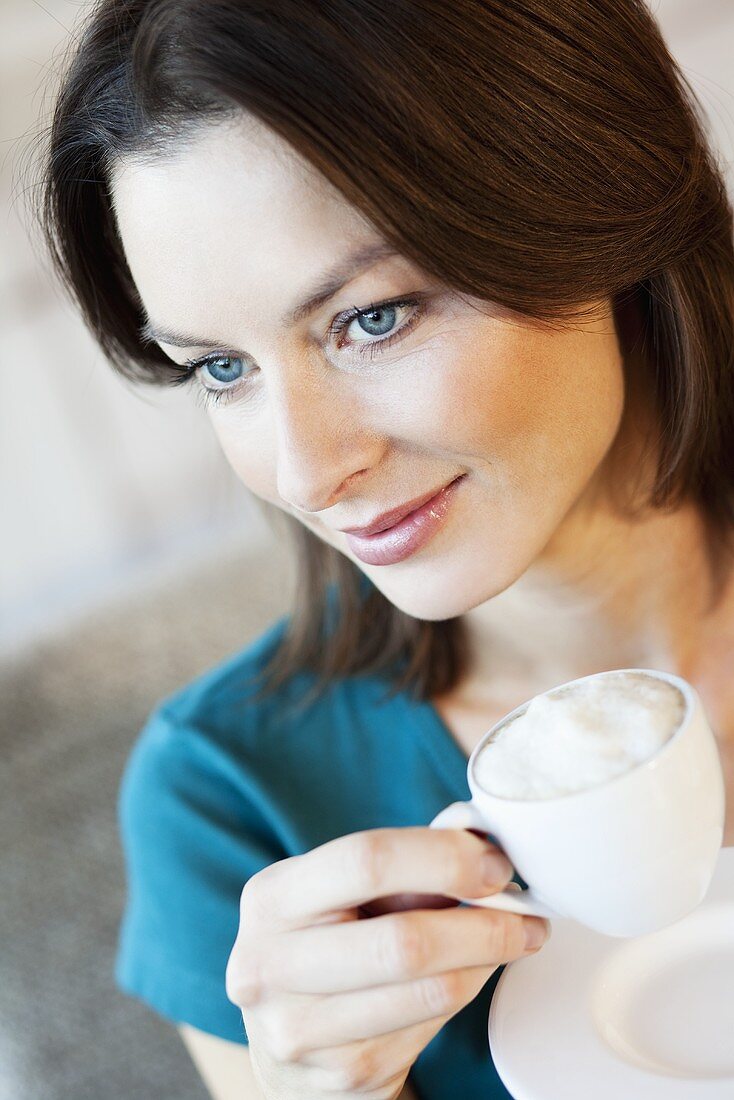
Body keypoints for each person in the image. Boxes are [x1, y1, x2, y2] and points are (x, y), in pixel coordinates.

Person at [38, 1, 734, 1097]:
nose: (306, 470)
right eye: (221, 368)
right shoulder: (227, 797)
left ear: (595, 204)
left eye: (370, 318)